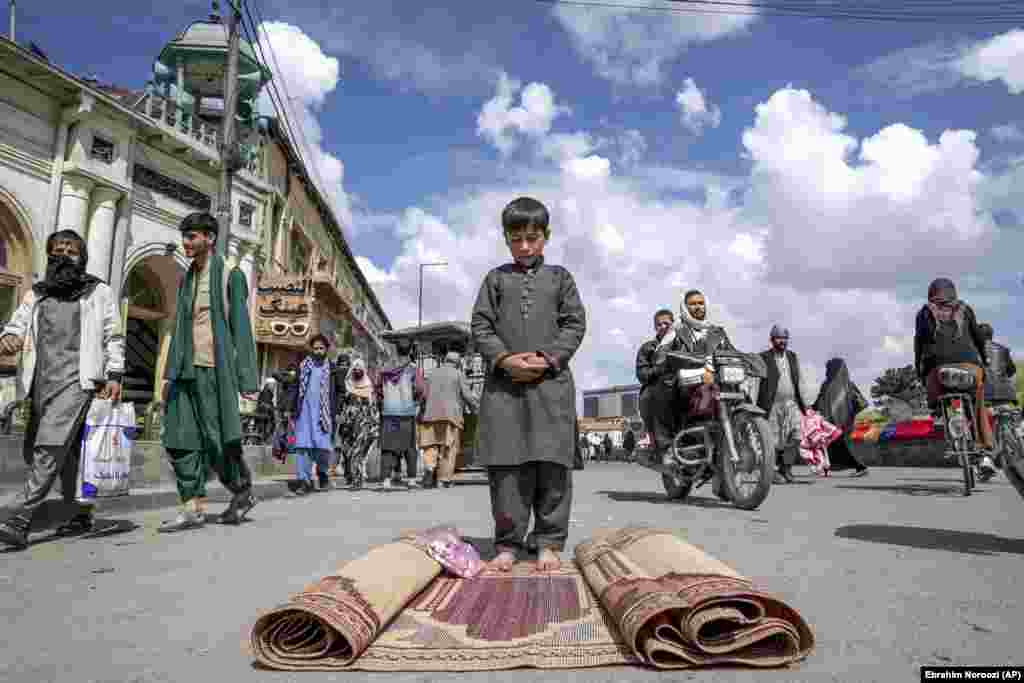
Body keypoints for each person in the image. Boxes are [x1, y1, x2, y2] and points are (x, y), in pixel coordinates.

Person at [471, 196, 586, 572]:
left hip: (551, 385)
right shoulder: (495, 279)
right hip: (504, 389)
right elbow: (481, 326)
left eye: (532, 238)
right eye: (516, 238)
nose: (524, 246)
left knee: (552, 465)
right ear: (506, 238)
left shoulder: (561, 279)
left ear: (545, 236)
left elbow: (574, 324)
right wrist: (504, 359)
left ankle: (549, 541)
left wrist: (546, 359)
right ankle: (508, 542)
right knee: (507, 468)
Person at [0, 230, 124, 549]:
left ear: (81, 256)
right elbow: (17, 324)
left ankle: (20, 520)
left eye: (70, 250)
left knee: (49, 446)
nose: (63, 255)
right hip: (41, 383)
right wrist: (9, 338)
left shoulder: (98, 292)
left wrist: (114, 374)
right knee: (68, 453)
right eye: (56, 250)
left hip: (80, 383)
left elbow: (114, 335)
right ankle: (80, 512)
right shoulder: (38, 293)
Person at [159, 211, 260, 532]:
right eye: (184, 236)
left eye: (192, 236)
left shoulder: (231, 275)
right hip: (185, 371)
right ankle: (192, 507)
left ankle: (241, 491)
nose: (186, 243)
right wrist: (168, 373)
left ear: (210, 238)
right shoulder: (188, 276)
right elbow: (178, 326)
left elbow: (242, 330)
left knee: (218, 442)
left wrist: (246, 379)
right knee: (179, 438)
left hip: (214, 371)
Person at [914, 278, 993, 454]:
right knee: (977, 399)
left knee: (938, 398)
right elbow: (979, 338)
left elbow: (919, 344)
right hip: (970, 366)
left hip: (938, 368)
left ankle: (945, 419)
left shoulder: (924, 313)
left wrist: (919, 370)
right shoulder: (965, 309)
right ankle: (985, 447)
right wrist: (985, 359)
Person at [287, 334, 345, 495]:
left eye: (321, 348)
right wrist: (289, 408)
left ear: (326, 349)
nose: (318, 351)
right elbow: (294, 387)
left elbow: (341, 392)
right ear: (311, 349)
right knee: (302, 447)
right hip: (304, 413)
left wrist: (338, 411)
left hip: (324, 416)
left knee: (322, 448)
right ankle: (304, 481)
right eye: (315, 348)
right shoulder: (303, 366)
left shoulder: (333, 369)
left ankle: (322, 475)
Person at [418, 351, 478, 489]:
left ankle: (429, 467)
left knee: (430, 445)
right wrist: (476, 408)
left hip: (430, 415)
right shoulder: (458, 374)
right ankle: (443, 479)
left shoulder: (432, 374)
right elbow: (467, 396)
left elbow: (424, 395)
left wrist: (422, 411)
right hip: (450, 416)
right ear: (457, 363)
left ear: (445, 360)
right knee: (448, 447)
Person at [757, 325, 808, 484]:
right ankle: (770, 472)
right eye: (779, 338)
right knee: (771, 440)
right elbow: (755, 382)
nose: (782, 341)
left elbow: (800, 380)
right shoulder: (763, 357)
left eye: (785, 338)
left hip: (791, 404)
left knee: (797, 435)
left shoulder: (793, 357)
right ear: (772, 340)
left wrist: (806, 405)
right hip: (771, 405)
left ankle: (786, 469)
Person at [375, 339, 426, 490]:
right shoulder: (412, 369)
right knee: (409, 447)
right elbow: (420, 389)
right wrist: (415, 402)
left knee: (388, 447)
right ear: (410, 350)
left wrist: (384, 402)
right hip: (407, 412)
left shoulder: (384, 368)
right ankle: (410, 480)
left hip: (388, 412)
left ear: (396, 350)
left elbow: (377, 388)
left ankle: (386, 480)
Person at [636, 308, 682, 466]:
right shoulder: (648, 348)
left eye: (666, 323)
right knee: (660, 391)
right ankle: (666, 447)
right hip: (654, 391)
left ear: (673, 324)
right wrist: (660, 369)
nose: (662, 326)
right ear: (655, 327)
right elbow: (642, 375)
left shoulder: (683, 345)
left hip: (681, 387)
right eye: (659, 324)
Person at [812, 358, 869, 477]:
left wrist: (849, 414)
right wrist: (811, 409)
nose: (827, 371)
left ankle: (861, 467)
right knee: (831, 446)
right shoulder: (828, 385)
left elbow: (861, 403)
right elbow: (819, 401)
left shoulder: (847, 385)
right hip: (832, 421)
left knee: (844, 446)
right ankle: (827, 468)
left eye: (829, 368)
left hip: (844, 423)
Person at [339, 357, 378, 490]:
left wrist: (374, 425)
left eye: (359, 369)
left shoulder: (368, 386)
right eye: (354, 369)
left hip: (363, 424)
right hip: (348, 424)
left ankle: (357, 479)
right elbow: (343, 404)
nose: (357, 371)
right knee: (348, 452)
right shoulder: (347, 385)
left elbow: (373, 408)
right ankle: (350, 475)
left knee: (358, 453)